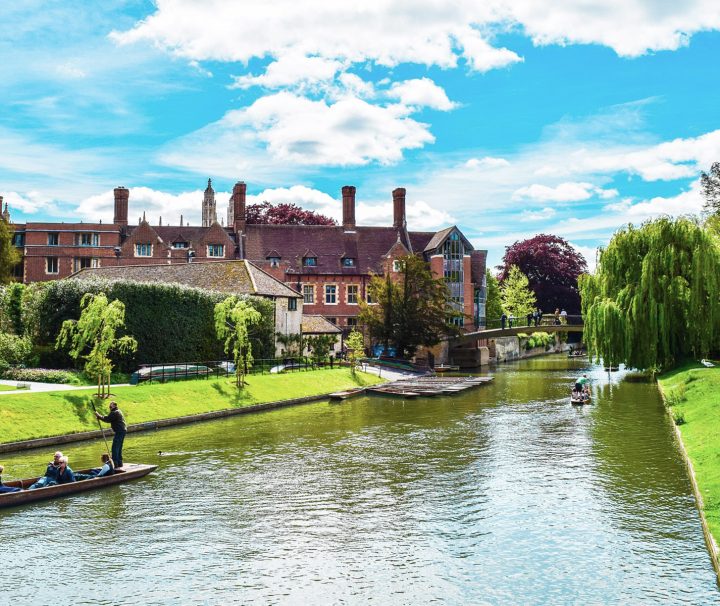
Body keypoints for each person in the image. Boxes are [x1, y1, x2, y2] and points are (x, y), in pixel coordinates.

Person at [95, 401, 126, 468]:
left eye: (111, 406)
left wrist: (98, 415)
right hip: (122, 431)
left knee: (115, 447)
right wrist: (100, 417)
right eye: (109, 406)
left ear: (114, 406)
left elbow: (107, 419)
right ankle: (119, 463)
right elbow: (108, 417)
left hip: (120, 431)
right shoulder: (117, 411)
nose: (110, 407)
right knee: (118, 447)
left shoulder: (115, 412)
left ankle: (115, 463)